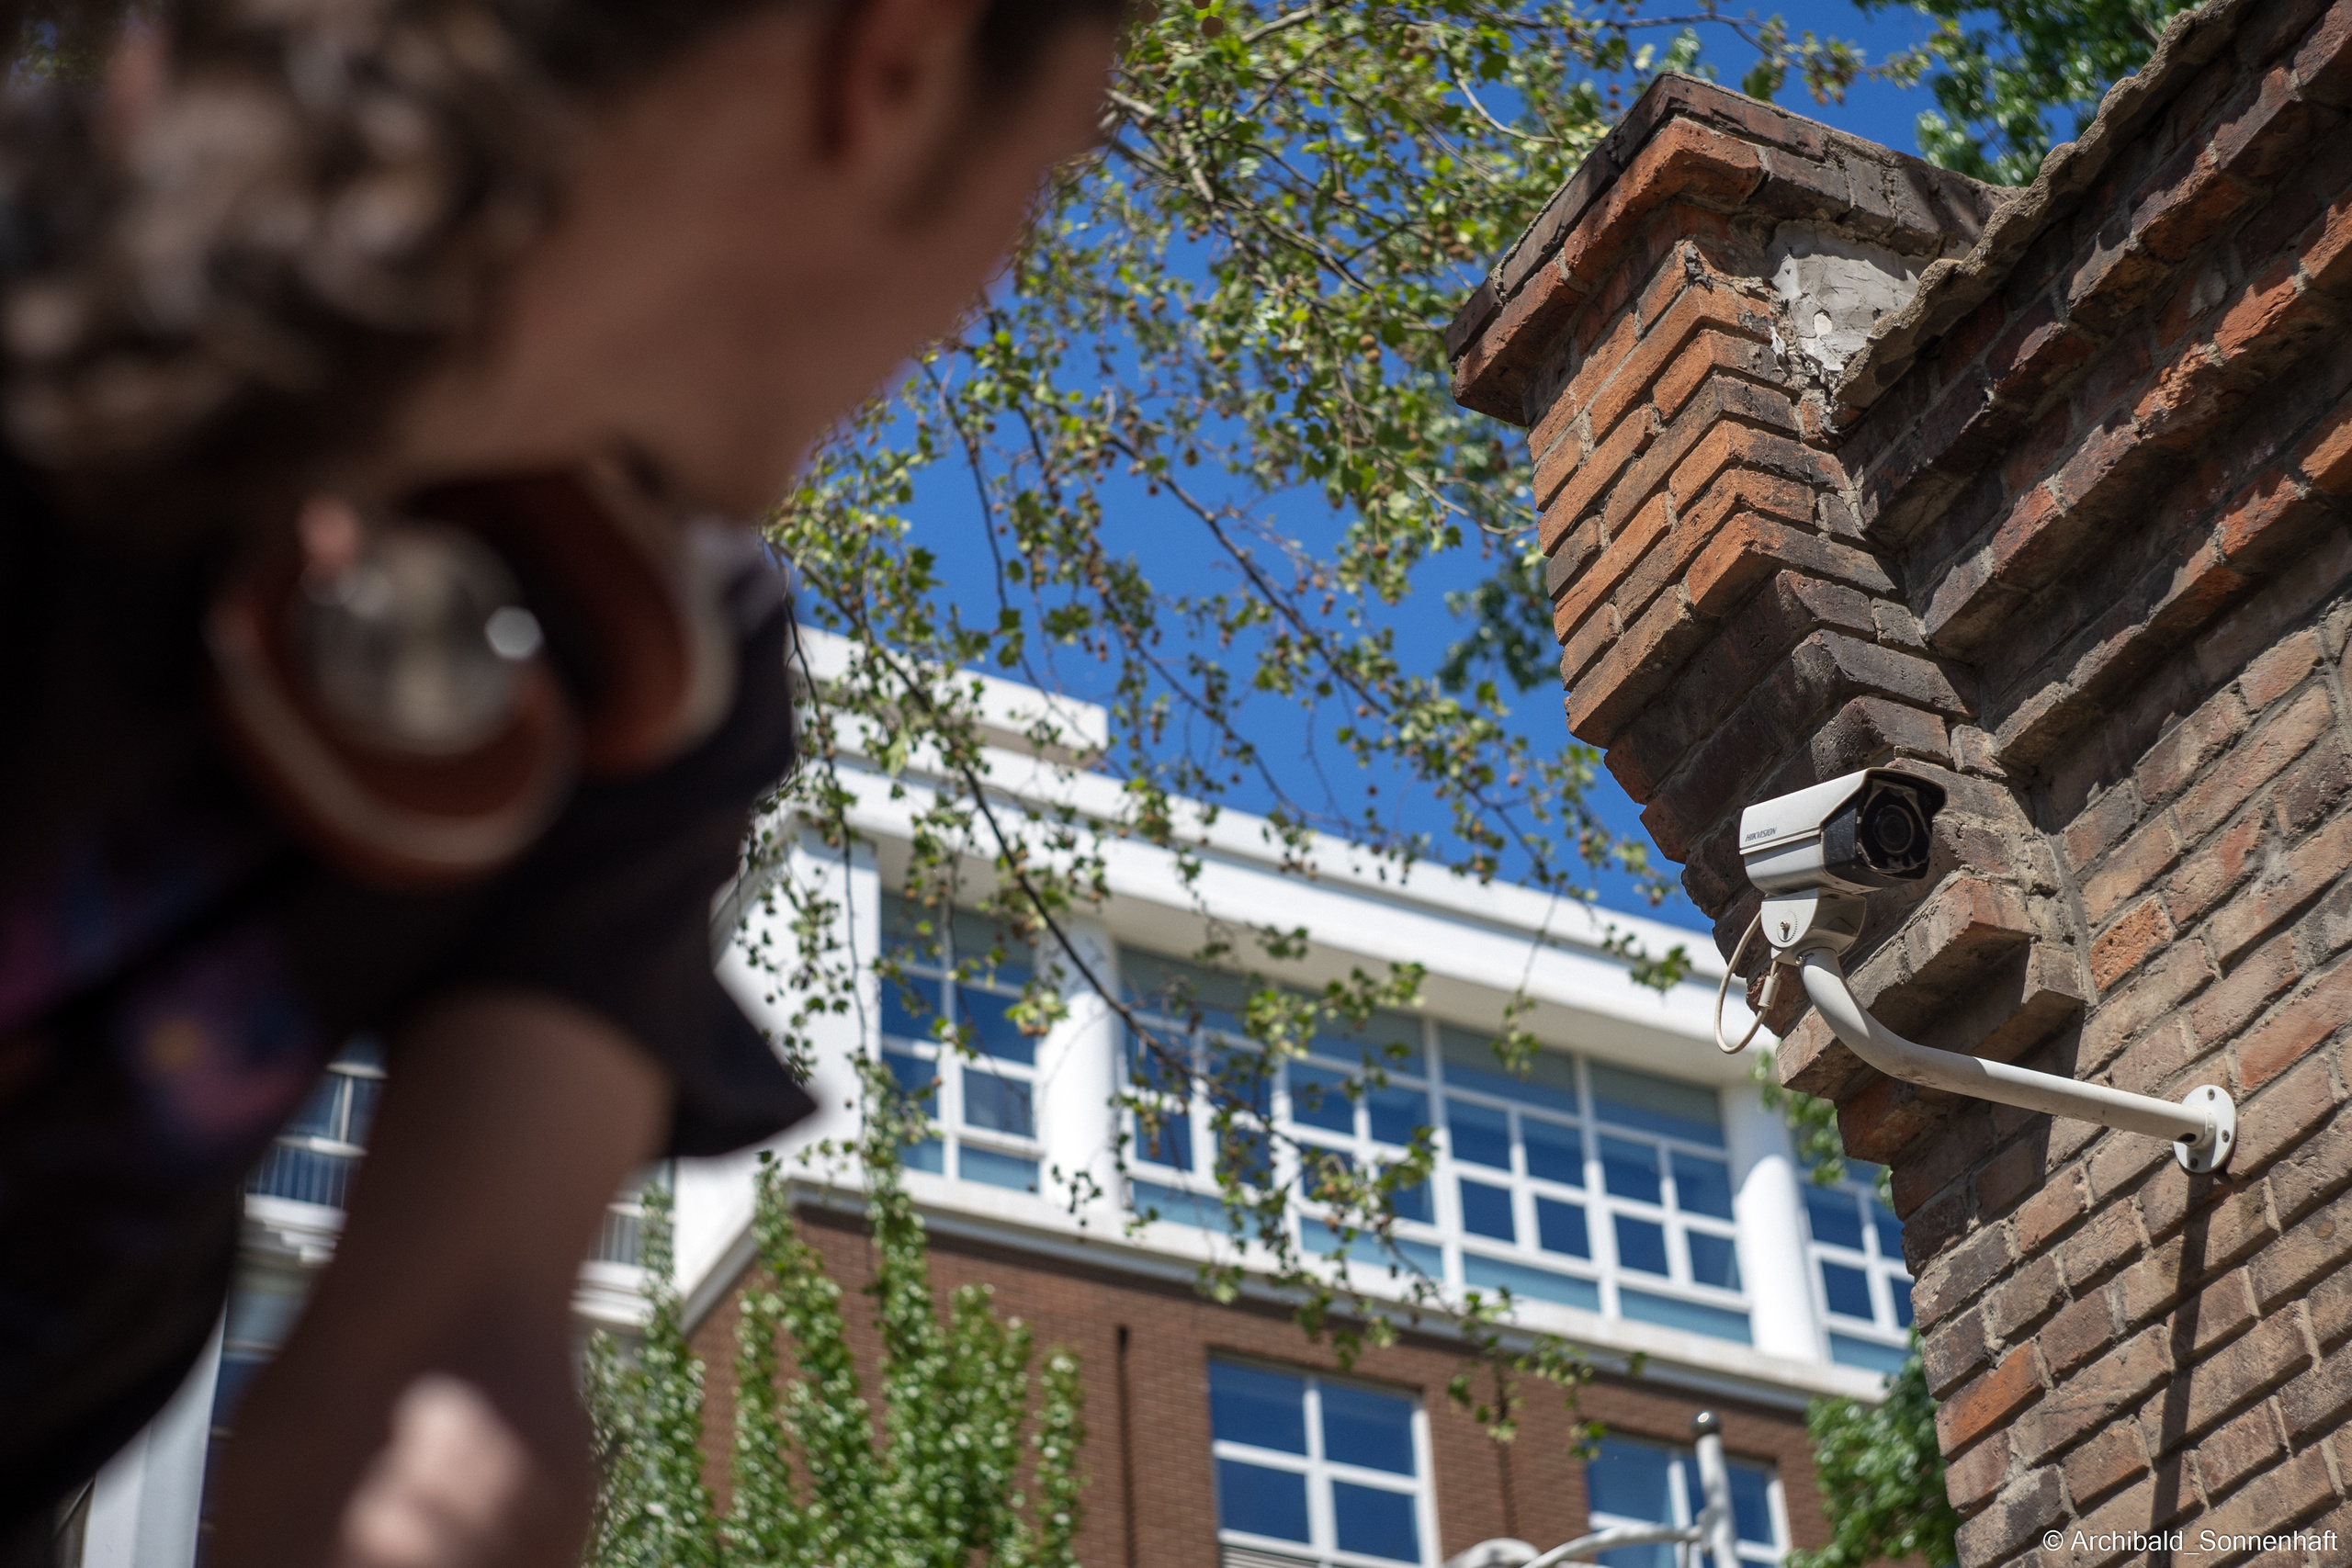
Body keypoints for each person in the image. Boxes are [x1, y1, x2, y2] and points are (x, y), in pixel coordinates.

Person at [0, 0, 1123, 1562]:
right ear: (901, 61)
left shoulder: (642, 664)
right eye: (1047, 171)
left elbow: (437, 1389)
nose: (985, 285)